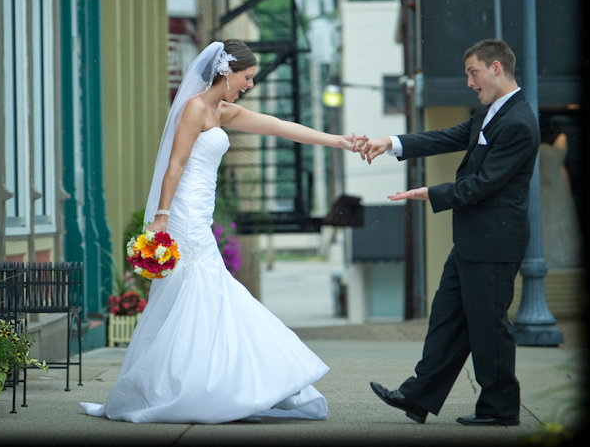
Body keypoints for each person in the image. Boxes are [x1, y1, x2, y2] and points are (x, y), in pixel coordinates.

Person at [80, 39, 360, 424]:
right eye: (247, 77)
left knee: (201, 297)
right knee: (196, 293)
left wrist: (338, 141)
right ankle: (194, 388)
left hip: (201, 215)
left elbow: (281, 127)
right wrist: (161, 216)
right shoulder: (194, 109)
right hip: (182, 216)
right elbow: (175, 165)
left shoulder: (223, 111)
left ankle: (205, 384)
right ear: (227, 71)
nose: (250, 84)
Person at [360, 38, 539, 427]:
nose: (469, 83)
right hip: (474, 241)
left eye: (473, 73)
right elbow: (448, 137)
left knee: (489, 327)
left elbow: (484, 184)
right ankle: (417, 396)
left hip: (495, 243)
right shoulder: (490, 112)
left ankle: (499, 409)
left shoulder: (519, 122)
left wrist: (430, 193)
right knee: (448, 318)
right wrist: (391, 143)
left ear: (496, 68)